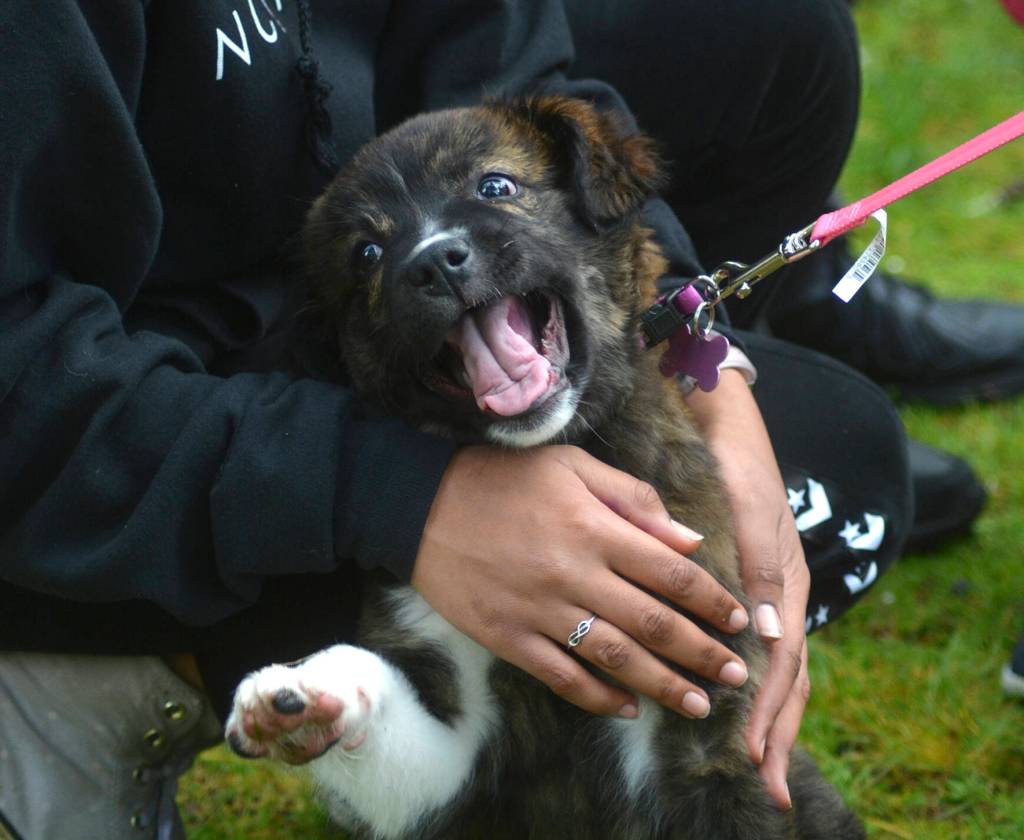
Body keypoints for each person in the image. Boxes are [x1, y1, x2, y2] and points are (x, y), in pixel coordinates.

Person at [0, 1, 1005, 838]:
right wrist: (390, 491)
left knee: (832, 468)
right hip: (127, 430)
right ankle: (122, 661)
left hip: (390, 334)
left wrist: (701, 348)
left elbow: (517, 69)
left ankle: (823, 306)